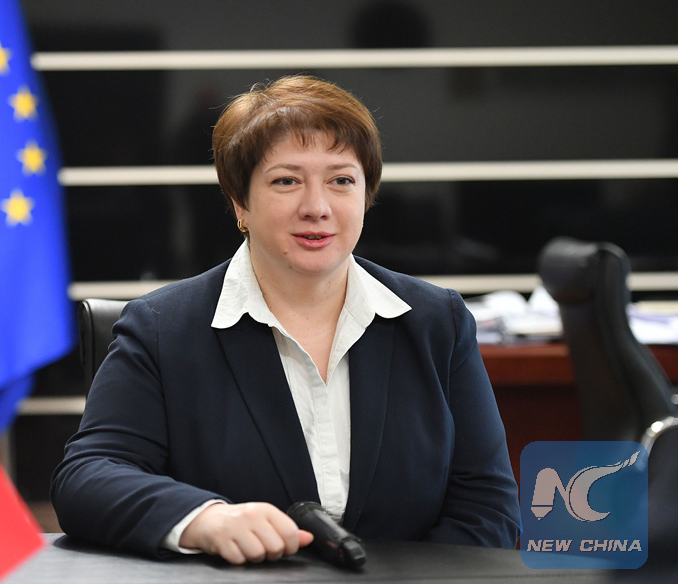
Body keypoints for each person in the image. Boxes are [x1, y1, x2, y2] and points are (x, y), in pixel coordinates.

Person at [51, 75, 521, 564]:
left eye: (341, 180)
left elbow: (487, 504)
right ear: (240, 202)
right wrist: (204, 520)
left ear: (367, 195)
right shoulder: (162, 329)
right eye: (286, 181)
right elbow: (87, 477)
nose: (317, 207)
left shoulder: (437, 322)